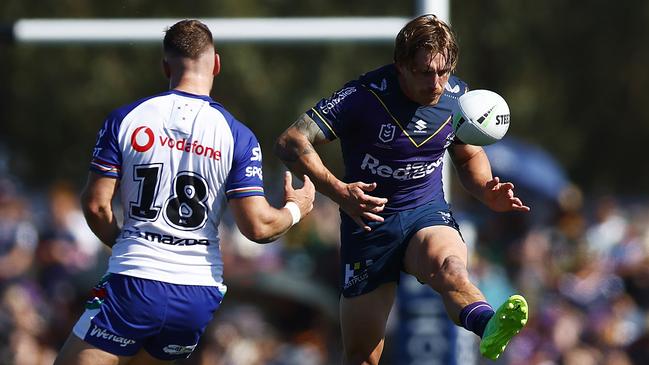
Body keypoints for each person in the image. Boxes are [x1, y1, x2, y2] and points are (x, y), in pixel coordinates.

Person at [54, 19, 315, 365]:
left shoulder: (127, 118)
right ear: (216, 64)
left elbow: (96, 205)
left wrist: (124, 243)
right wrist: (296, 208)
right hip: (196, 292)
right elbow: (258, 227)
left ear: (165, 66)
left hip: (135, 281)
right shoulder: (236, 134)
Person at [275, 14, 530, 363]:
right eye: (426, 72)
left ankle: (489, 326)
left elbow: (469, 156)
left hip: (425, 212)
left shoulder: (459, 97)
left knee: (451, 269)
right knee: (363, 355)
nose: (437, 83)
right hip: (368, 224)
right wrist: (338, 191)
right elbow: (291, 141)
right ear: (401, 66)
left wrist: (487, 190)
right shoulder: (362, 97)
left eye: (444, 71)